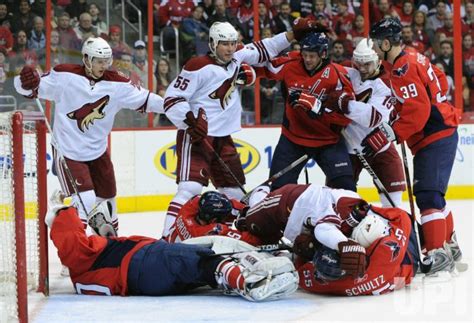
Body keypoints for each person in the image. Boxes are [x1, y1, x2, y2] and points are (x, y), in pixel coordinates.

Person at [161, 19, 323, 238]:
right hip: (197, 136)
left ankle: (226, 238)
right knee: (189, 189)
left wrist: (292, 34)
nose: (229, 48)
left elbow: (265, 48)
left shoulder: (237, 55)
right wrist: (189, 120)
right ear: (212, 44)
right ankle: (165, 238)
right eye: (224, 44)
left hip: (223, 138)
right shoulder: (196, 66)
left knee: (234, 194)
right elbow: (171, 99)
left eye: (232, 43)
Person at [14, 36, 164, 235]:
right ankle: (74, 255)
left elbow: (148, 100)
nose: (104, 65)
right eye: (99, 61)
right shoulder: (64, 75)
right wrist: (22, 81)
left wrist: (176, 107)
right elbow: (29, 89)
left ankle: (108, 248)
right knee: (86, 199)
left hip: (98, 152)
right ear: (86, 59)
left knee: (108, 201)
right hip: (68, 151)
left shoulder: (118, 83)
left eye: (107, 61)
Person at [45, 192, 298, 301]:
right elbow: (70, 237)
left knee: (200, 270)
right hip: (145, 261)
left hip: (145, 279)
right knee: (206, 259)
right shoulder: (81, 255)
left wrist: (106, 237)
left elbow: (84, 246)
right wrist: (63, 210)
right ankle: (248, 283)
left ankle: (248, 274)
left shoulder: (85, 269)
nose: (80, 228)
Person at [364, 18, 461, 274]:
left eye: (375, 43)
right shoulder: (411, 59)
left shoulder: (402, 69)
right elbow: (433, 86)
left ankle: (436, 252)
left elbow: (418, 111)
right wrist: (398, 114)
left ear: (386, 43)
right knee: (434, 195)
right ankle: (449, 244)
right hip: (439, 131)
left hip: (435, 135)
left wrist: (395, 130)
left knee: (428, 195)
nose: (373, 48)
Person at [257, 32, 356, 192]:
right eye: (305, 55)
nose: (307, 59)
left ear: (323, 54)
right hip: (292, 139)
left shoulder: (338, 75)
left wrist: (319, 108)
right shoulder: (291, 64)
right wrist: (246, 71)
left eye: (312, 56)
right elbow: (263, 67)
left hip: (328, 141)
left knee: (346, 189)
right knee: (278, 191)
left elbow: (346, 116)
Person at [323, 38, 406, 207]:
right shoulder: (346, 70)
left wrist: (344, 104)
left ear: (377, 61)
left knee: (393, 205)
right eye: (358, 63)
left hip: (379, 147)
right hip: (346, 149)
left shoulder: (386, 83)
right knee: (337, 203)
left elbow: (372, 117)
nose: (361, 69)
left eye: (366, 64)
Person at [236, 183, 369, 278]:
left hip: (302, 220)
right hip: (284, 202)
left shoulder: (361, 207)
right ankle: (259, 193)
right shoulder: (334, 212)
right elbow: (323, 229)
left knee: (304, 247)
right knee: (250, 224)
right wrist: (343, 244)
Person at [298, 203, 420, 296]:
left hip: (402, 270)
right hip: (407, 263)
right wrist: (369, 210)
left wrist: (301, 255)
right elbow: (401, 215)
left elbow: (299, 274)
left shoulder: (328, 284)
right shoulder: (384, 252)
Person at [168, 191, 261, 245]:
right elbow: (249, 240)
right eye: (224, 216)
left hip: (169, 242)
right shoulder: (213, 230)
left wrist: (243, 209)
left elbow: (222, 201)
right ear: (213, 220)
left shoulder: (189, 207)